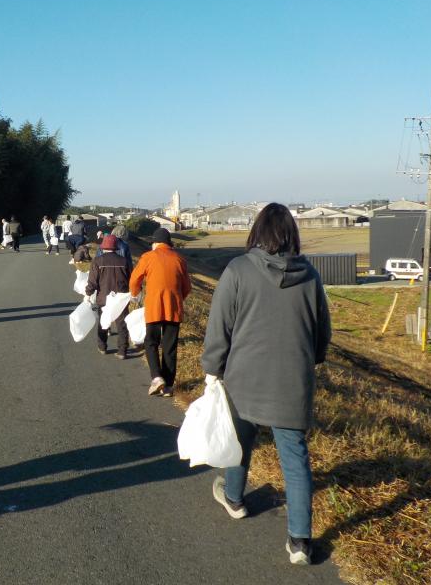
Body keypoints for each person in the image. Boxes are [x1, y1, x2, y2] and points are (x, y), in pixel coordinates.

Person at [200, 202, 331, 566]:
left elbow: (220, 326)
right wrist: (313, 359)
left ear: (257, 232)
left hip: (243, 378)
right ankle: (300, 541)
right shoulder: (311, 276)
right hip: (293, 380)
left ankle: (235, 498)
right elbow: (323, 331)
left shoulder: (238, 270)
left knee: (240, 442)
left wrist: (212, 368)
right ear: (292, 235)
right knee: (295, 457)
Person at [129, 227, 191, 397]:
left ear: (155, 243)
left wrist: (135, 294)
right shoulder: (179, 259)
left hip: (154, 307)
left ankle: (157, 377)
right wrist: (178, 299)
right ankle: (169, 386)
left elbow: (135, 280)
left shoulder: (148, 257)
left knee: (151, 342)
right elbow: (187, 287)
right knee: (170, 347)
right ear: (169, 243)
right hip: (174, 308)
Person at [85, 235, 131, 359]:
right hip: (121, 298)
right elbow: (131, 279)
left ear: (103, 247)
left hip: (103, 298)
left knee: (103, 322)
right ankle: (122, 351)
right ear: (115, 247)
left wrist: (88, 294)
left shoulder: (97, 261)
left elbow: (93, 282)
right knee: (122, 325)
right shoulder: (124, 261)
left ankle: (102, 347)